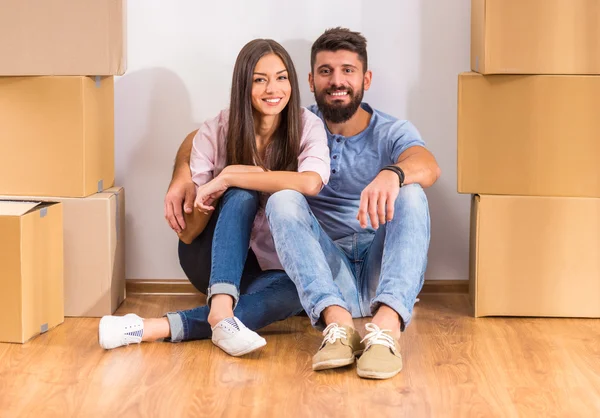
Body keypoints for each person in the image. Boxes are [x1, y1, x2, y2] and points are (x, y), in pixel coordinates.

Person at [98, 38, 331, 356]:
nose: (272, 89)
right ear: (243, 85)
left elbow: (311, 183)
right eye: (259, 80)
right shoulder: (218, 129)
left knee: (297, 292)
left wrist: (229, 173)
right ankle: (221, 307)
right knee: (242, 193)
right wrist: (219, 191)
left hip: (269, 269)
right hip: (211, 259)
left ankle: (150, 327)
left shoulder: (306, 126)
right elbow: (190, 231)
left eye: (281, 77)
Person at [264, 27, 441, 379]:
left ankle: (387, 328)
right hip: (329, 273)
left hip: (382, 270)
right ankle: (338, 325)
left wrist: (392, 173)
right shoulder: (296, 126)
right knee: (282, 199)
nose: (337, 81)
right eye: (326, 71)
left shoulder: (391, 130)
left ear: (366, 78)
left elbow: (429, 166)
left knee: (412, 189)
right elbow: (220, 130)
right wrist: (182, 175)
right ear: (312, 81)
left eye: (348, 70)